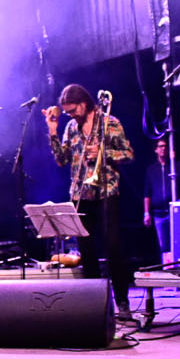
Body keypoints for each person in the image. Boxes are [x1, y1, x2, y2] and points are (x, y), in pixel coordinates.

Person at [46, 83, 135, 315]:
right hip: (81, 193)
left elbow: (128, 154)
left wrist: (104, 154)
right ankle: (95, 303)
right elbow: (61, 160)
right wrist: (53, 131)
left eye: (73, 110)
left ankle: (122, 301)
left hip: (107, 192)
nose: (71, 115)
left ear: (84, 104)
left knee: (113, 247)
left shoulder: (110, 123)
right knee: (87, 250)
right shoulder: (70, 128)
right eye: (67, 112)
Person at [144, 136, 172, 261]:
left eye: (165, 146)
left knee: (175, 240)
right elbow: (147, 193)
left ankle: (177, 265)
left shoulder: (174, 166)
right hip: (158, 214)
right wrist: (146, 213)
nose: (163, 149)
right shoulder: (151, 170)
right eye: (160, 146)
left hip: (173, 212)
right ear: (156, 150)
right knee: (163, 244)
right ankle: (167, 266)